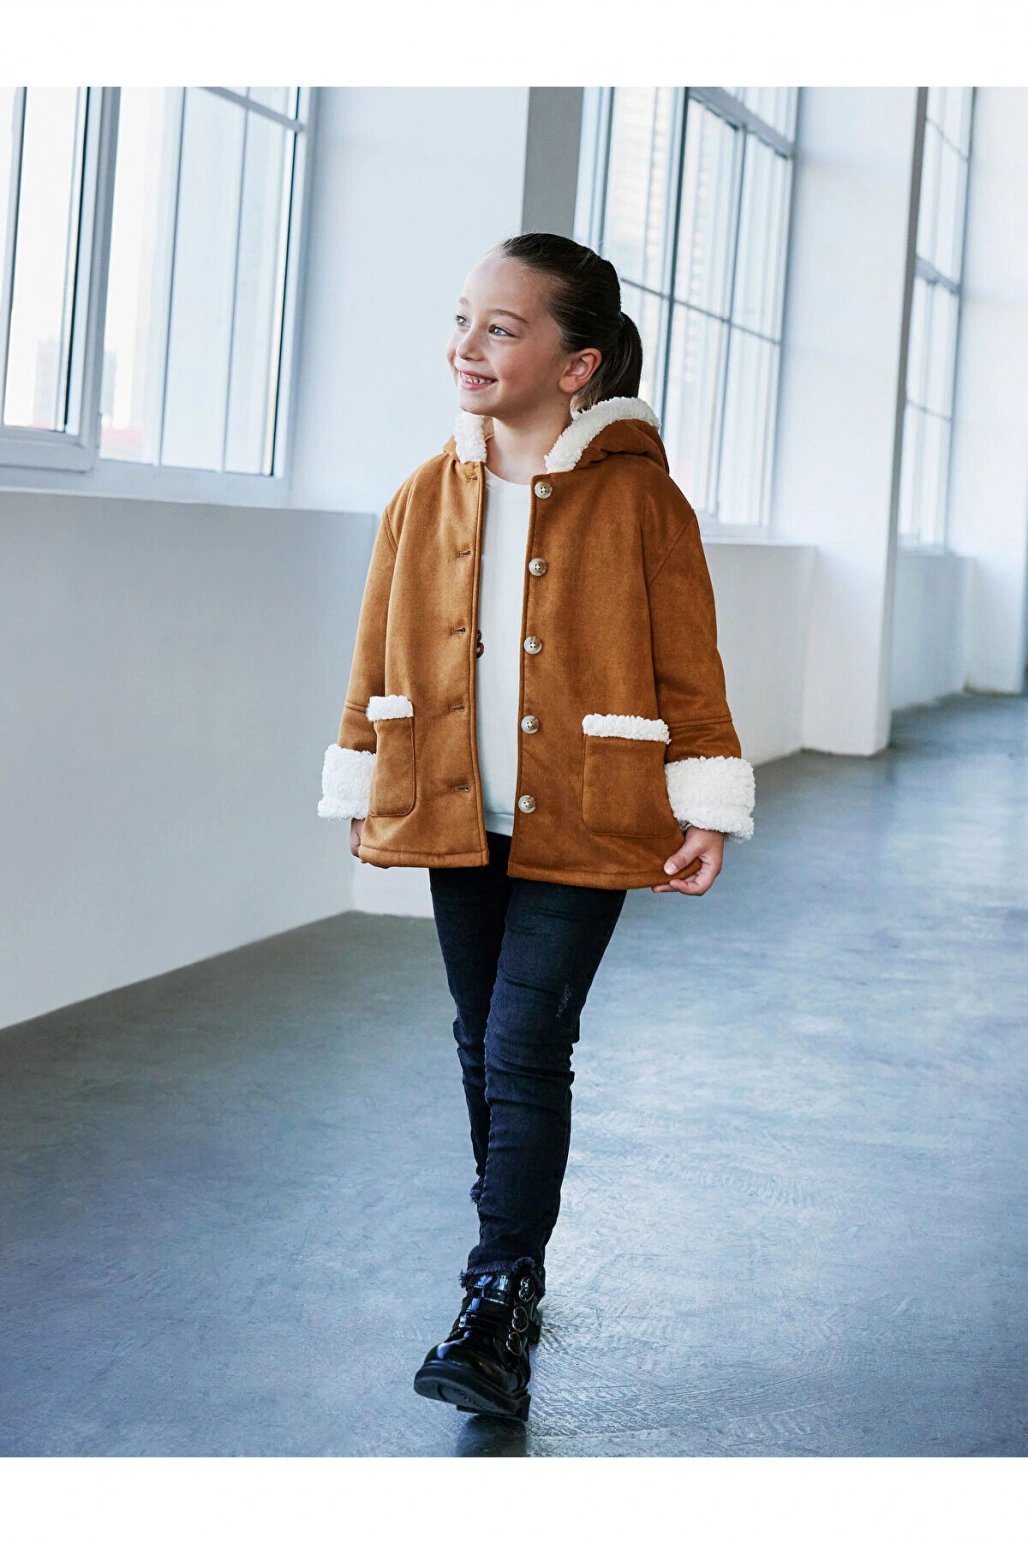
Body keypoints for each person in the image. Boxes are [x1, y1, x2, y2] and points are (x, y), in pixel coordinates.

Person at [317, 232, 755, 1422]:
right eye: (461, 318)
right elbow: (373, 654)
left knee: (521, 1045)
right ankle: (510, 1258)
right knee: (481, 1042)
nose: (466, 344)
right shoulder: (422, 495)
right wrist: (365, 781)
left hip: (589, 820)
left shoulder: (641, 498)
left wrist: (705, 801)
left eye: (500, 328)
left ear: (576, 366)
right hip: (456, 813)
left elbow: (690, 663)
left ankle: (496, 1290)